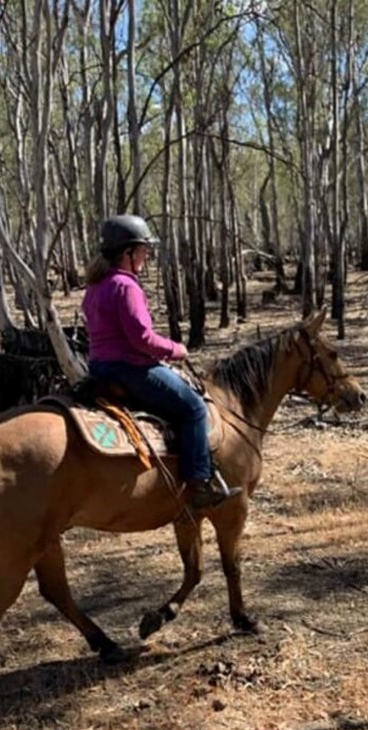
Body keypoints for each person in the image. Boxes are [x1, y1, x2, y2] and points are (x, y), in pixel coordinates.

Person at [81, 213, 240, 510]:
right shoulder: (126, 287)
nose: (146, 254)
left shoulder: (95, 286)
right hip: (130, 368)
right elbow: (142, 339)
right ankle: (199, 484)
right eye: (142, 249)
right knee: (193, 407)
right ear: (127, 253)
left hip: (99, 368)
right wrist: (176, 349)